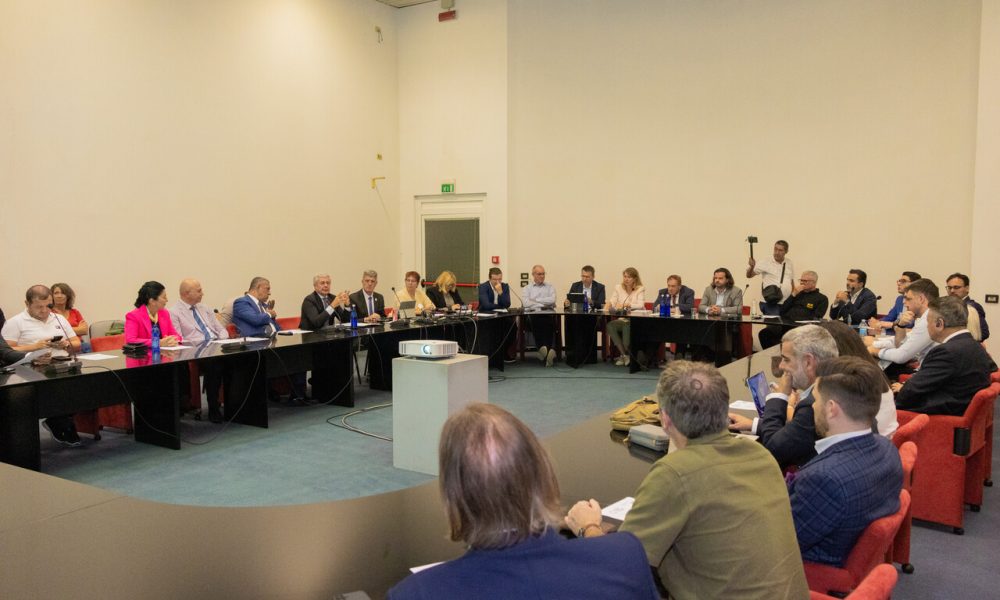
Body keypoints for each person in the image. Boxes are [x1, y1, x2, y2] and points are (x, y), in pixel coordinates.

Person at [566, 361, 808, 599]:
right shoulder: (761, 455)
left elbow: (620, 566)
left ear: (665, 419)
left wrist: (588, 527)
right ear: (723, 411)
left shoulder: (674, 475)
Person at [387, 403, 658, 600]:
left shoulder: (417, 593)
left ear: (454, 495)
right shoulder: (625, 556)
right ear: (543, 473)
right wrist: (589, 529)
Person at [789, 356, 903, 566]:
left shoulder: (823, 479)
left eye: (815, 399)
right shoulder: (887, 449)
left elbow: (782, 543)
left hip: (811, 572)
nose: (812, 406)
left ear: (831, 408)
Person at [729, 324, 838, 469]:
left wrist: (779, 396)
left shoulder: (813, 405)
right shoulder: (835, 385)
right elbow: (796, 433)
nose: (781, 366)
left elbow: (774, 449)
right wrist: (754, 425)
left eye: (786, 359)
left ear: (808, 362)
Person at [2, 285, 82, 446]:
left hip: (61, 365)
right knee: (58, 390)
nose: (45, 310)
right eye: (39, 307)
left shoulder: (58, 318)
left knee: (83, 386)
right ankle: (60, 422)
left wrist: (66, 344)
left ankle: (59, 421)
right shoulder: (15, 322)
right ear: (27, 303)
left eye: (48, 305)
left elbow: (76, 343)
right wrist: (35, 346)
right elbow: (5, 351)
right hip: (31, 370)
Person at [893, 296, 996, 416]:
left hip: (938, 416)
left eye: (928, 322)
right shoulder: (976, 346)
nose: (927, 327)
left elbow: (912, 392)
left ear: (939, 324)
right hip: (961, 410)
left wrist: (896, 397)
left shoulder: (946, 352)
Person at [818, 321, 898, 438]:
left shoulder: (849, 384)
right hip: (883, 442)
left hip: (866, 444)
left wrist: (791, 408)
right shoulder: (872, 372)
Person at [234, 277, 308, 401]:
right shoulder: (241, 302)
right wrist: (269, 313)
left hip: (273, 339)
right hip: (256, 343)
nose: (269, 293)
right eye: (267, 289)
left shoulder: (263, 305)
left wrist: (284, 333)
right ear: (257, 288)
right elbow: (256, 320)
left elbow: (273, 325)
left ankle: (298, 394)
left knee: (300, 350)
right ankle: (277, 392)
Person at [170, 279, 230, 423]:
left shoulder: (205, 308)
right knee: (214, 364)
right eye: (199, 290)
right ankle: (213, 407)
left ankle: (235, 404)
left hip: (216, 346)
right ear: (186, 293)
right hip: (197, 351)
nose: (202, 293)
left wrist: (222, 340)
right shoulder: (174, 312)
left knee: (238, 357)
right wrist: (204, 345)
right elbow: (179, 339)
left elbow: (220, 329)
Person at [864, 278, 938, 379]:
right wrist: (901, 326)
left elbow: (902, 355)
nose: (904, 302)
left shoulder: (928, 320)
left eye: (908, 298)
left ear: (921, 299)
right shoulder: (924, 317)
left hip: (927, 375)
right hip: (924, 371)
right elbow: (902, 343)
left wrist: (874, 350)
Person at [759, 270, 829, 349]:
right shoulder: (796, 294)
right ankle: (775, 354)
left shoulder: (822, 298)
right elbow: (782, 310)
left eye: (805, 281)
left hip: (802, 330)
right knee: (764, 334)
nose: (802, 283)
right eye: (801, 280)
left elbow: (816, 318)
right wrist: (793, 294)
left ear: (814, 282)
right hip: (785, 327)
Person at [605, 267, 646, 367]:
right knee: (610, 325)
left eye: (629, 277)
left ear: (635, 278)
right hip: (623, 318)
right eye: (625, 276)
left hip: (636, 319)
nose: (626, 279)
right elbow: (613, 301)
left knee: (626, 327)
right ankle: (624, 355)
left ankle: (629, 355)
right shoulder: (618, 287)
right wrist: (609, 304)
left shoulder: (640, 289)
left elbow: (640, 305)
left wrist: (628, 304)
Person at [522, 264, 558, 366]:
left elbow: (552, 300)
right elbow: (526, 303)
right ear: (533, 274)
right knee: (539, 322)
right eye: (539, 274)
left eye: (543, 274)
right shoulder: (527, 288)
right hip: (533, 315)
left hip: (548, 314)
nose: (542, 276)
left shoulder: (550, 287)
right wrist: (544, 303)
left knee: (548, 323)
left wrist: (535, 300)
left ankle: (544, 350)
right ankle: (548, 351)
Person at [747, 239, 795, 315]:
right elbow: (749, 275)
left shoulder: (789, 262)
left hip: (785, 302)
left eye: (780, 250)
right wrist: (751, 267)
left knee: (786, 322)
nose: (777, 252)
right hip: (770, 303)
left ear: (786, 251)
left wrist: (792, 297)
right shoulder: (765, 261)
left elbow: (791, 281)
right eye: (775, 249)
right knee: (774, 322)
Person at [946, 272, 990, 342]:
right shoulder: (947, 306)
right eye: (949, 288)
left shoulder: (972, 307)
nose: (952, 291)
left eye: (956, 287)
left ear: (967, 288)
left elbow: (984, 333)